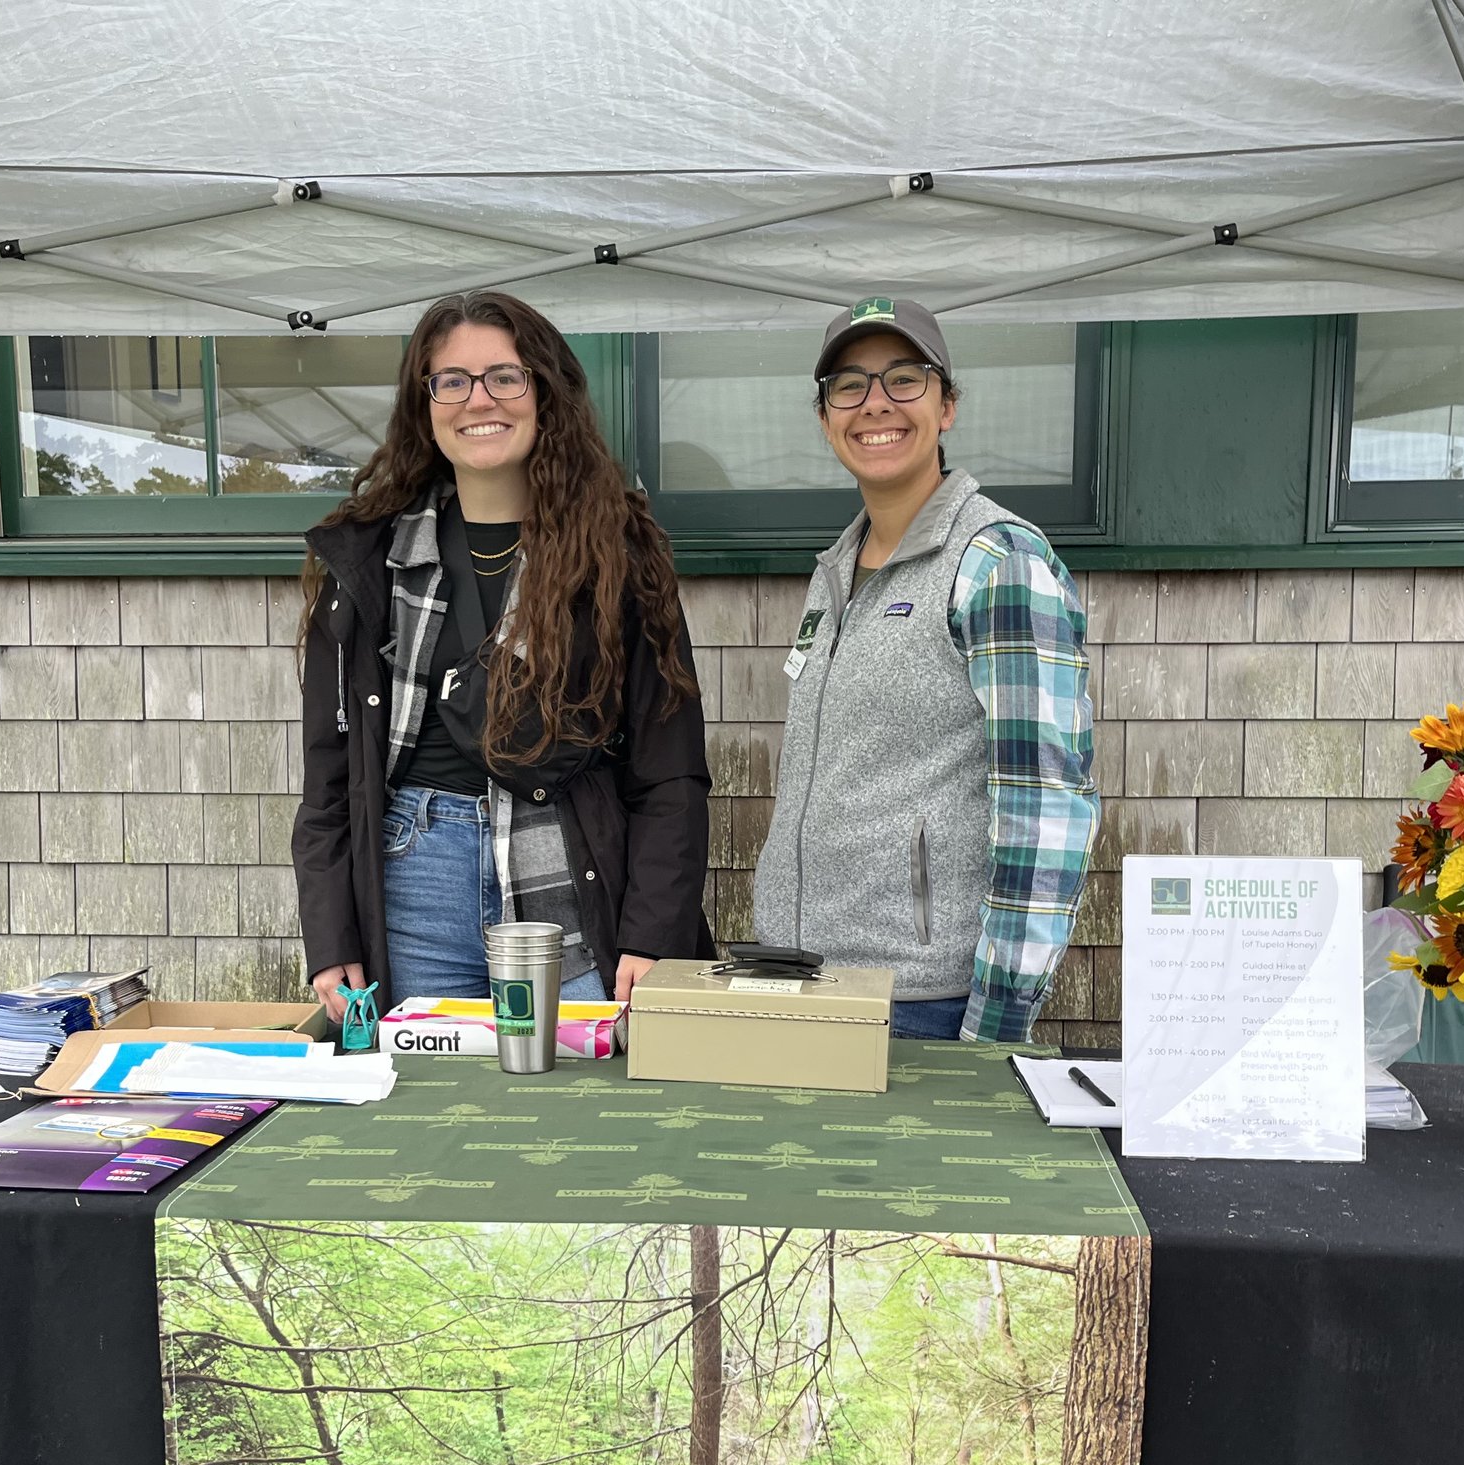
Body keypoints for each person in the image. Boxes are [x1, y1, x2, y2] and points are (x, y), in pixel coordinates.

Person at [296, 291, 712, 1025]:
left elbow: (670, 769)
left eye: (503, 377)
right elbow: (330, 779)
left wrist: (653, 932)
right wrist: (332, 936)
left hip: (568, 870)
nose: (476, 399)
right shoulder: (366, 561)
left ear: (544, 392)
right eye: (450, 380)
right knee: (433, 1105)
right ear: (424, 403)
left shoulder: (619, 553)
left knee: (582, 1110)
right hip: (413, 877)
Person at [753, 297, 1098, 1042]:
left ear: (947, 406)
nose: (875, 403)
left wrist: (996, 1027)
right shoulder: (835, 570)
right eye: (849, 385)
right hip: (797, 979)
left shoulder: (997, 562)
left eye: (903, 379)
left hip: (918, 1005)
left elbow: (1047, 809)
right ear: (824, 418)